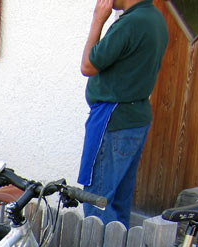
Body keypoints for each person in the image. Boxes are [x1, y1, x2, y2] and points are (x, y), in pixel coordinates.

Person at [78, 0, 168, 228]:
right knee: (118, 201)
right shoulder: (155, 19)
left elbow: (88, 66)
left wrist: (97, 20)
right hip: (135, 117)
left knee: (97, 201)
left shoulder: (130, 24)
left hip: (113, 118)